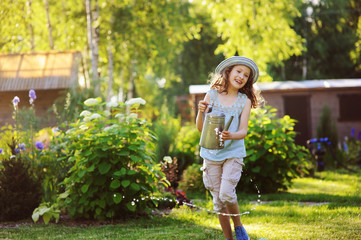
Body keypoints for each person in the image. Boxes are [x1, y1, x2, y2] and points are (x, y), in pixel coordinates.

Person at [196, 56, 261, 240]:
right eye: (238, 71)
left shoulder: (244, 101)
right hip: (211, 153)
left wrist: (230, 135)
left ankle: (239, 227)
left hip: (232, 153)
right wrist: (201, 111)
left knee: (226, 193)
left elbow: (243, 131)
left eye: (246, 75)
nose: (241, 76)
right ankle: (229, 239)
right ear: (229, 72)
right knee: (218, 202)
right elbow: (201, 128)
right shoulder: (212, 95)